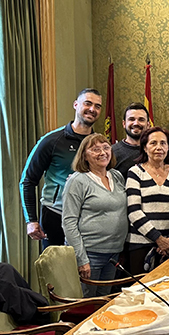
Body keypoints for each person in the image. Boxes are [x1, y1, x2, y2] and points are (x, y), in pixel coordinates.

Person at [21, 88, 102, 249]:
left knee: (86, 265)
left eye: (97, 106)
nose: (92, 109)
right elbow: (28, 180)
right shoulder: (52, 141)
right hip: (55, 216)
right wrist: (31, 220)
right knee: (57, 264)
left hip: (88, 218)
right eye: (88, 103)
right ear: (76, 104)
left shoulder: (100, 145)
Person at [62, 134, 127, 297]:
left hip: (113, 253)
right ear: (84, 155)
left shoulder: (116, 176)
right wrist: (81, 259)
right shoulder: (77, 181)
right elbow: (68, 222)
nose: (102, 153)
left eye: (106, 148)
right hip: (90, 254)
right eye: (95, 149)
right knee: (87, 303)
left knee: (104, 301)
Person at [126, 127, 169, 274]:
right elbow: (134, 211)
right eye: (153, 143)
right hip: (141, 245)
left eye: (163, 143)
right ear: (145, 147)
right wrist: (158, 239)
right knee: (143, 288)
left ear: (168, 147)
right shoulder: (135, 172)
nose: (159, 147)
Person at [112, 102, 150, 180]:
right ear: (124, 124)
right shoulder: (111, 152)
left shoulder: (155, 151)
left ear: (148, 125)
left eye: (141, 120)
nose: (136, 123)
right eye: (131, 119)